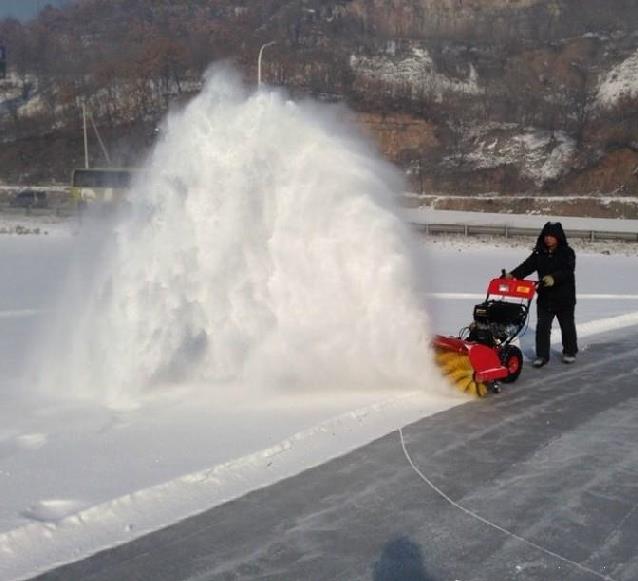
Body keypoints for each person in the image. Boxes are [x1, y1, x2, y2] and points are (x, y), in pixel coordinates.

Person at [506, 222, 578, 367]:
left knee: (567, 326)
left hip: (564, 298)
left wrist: (553, 277)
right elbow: (527, 266)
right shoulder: (539, 253)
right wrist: (512, 275)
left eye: (551, 236)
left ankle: (569, 351)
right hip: (545, 297)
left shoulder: (567, 252)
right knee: (542, 327)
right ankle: (542, 355)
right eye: (546, 236)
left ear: (558, 237)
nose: (548, 239)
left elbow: (567, 270)